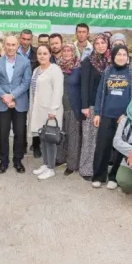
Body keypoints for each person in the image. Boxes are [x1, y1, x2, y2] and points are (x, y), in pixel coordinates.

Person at [92, 44, 132, 188]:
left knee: (121, 148)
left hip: (124, 117)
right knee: (102, 146)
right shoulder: (108, 71)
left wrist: (127, 114)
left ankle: (114, 177)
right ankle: (98, 176)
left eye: (124, 54)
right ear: (113, 56)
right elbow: (101, 93)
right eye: (118, 54)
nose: (121, 57)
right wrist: (97, 113)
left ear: (128, 57)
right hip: (107, 114)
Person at [0, 35, 32, 174]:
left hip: (19, 102)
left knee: (19, 133)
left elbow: (26, 83)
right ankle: (3, 161)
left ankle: (18, 160)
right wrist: (4, 96)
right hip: (2, 103)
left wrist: (12, 96)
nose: (10, 47)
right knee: (2, 133)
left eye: (13, 45)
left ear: (17, 45)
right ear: (4, 45)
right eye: (8, 44)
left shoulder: (25, 62)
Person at [28, 45, 65, 180]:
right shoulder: (37, 70)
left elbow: (58, 90)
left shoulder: (55, 70)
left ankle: (51, 168)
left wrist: (53, 110)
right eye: (39, 53)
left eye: (45, 53)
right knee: (42, 137)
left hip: (50, 111)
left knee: (50, 139)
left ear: (50, 55)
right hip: (38, 109)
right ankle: (45, 164)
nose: (42, 56)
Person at [79, 33, 111, 181]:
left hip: (107, 106)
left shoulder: (112, 61)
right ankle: (86, 168)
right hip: (91, 105)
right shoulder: (88, 61)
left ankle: (100, 167)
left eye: (103, 43)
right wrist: (85, 106)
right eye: (97, 43)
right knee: (89, 138)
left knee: (102, 139)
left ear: (107, 44)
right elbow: (84, 85)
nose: (100, 46)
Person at [56, 44, 83, 176]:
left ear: (74, 52)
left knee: (73, 136)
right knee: (61, 134)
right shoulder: (57, 67)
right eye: (64, 50)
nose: (66, 53)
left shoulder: (79, 68)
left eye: (69, 51)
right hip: (59, 107)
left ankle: (72, 164)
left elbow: (83, 88)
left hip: (73, 107)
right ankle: (60, 158)